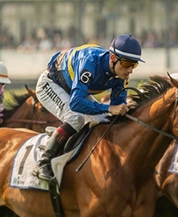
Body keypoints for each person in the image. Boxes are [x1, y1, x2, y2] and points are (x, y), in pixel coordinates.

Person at [34, 35, 143, 182]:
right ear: (112, 58)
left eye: (134, 65)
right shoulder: (90, 62)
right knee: (75, 118)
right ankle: (43, 163)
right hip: (51, 84)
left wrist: (125, 109)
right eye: (127, 63)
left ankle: (64, 136)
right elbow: (76, 103)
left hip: (75, 88)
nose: (130, 70)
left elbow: (116, 109)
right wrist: (110, 108)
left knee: (103, 121)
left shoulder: (121, 75)